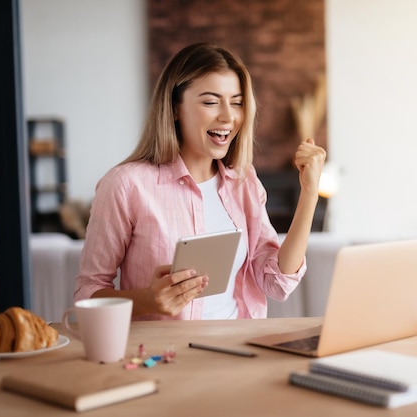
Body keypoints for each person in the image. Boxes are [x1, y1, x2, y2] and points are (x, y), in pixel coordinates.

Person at [74, 42, 326, 320]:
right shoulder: (125, 185)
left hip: (238, 350)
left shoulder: (243, 181)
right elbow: (88, 294)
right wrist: (146, 300)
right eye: (210, 101)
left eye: (237, 102)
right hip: (165, 358)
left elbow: (276, 282)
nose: (228, 116)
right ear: (174, 108)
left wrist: (309, 192)